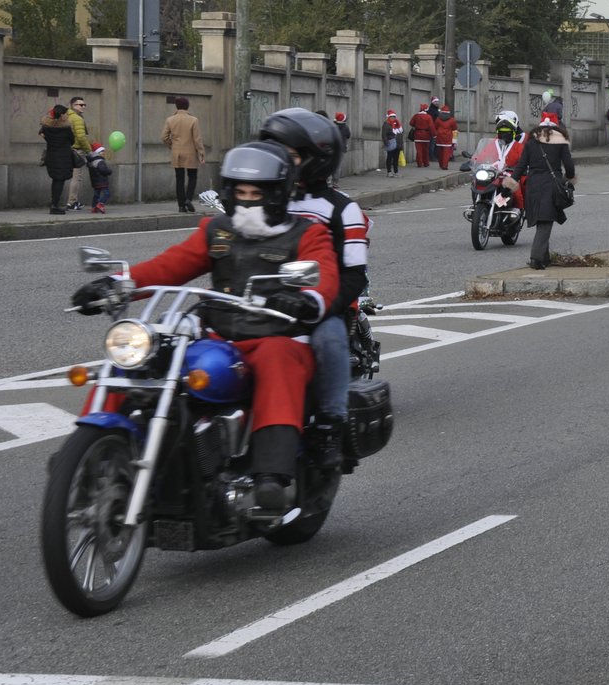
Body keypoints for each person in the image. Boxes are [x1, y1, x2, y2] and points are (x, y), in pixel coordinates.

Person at [71, 142, 339, 511]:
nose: (247, 201)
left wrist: (306, 298)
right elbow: (170, 265)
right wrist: (117, 284)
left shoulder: (306, 234)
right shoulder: (217, 230)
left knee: (280, 357)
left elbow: (323, 273)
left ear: (279, 193)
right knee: (140, 353)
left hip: (276, 335)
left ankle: (272, 475)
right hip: (216, 335)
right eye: (240, 193)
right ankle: (89, 455)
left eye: (257, 194)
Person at [260, 107, 370, 468]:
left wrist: (321, 305)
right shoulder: (262, 201)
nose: (279, 162)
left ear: (315, 159)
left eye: (288, 155)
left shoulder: (342, 209)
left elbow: (356, 275)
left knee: (328, 338)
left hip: (322, 305)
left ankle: (330, 424)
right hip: (261, 300)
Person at [503, 112, 576, 270]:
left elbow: (521, 166)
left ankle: (545, 258)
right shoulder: (560, 142)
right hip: (551, 185)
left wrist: (511, 183)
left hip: (532, 185)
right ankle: (536, 258)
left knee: (542, 219)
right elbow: (569, 167)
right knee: (546, 222)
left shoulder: (530, 142)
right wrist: (567, 179)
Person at [162, 96, 205, 214]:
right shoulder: (193, 120)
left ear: (177, 106)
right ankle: (188, 199)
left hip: (177, 153)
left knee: (179, 179)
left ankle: (181, 206)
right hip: (191, 152)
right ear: (187, 106)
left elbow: (164, 137)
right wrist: (201, 153)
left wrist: (172, 145)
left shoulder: (170, 120)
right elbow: (197, 139)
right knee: (192, 177)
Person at [39, 104, 78, 215]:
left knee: (56, 180)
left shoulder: (46, 128)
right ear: (61, 115)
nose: (67, 115)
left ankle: (54, 203)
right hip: (63, 158)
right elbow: (72, 141)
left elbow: (42, 133)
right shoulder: (66, 129)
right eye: (66, 113)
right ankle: (54, 206)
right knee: (59, 181)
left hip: (51, 157)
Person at [66, 96, 91, 210]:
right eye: (80, 105)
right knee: (77, 177)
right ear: (73, 105)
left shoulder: (67, 117)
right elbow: (81, 137)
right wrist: (88, 150)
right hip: (77, 150)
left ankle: (72, 201)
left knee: (70, 177)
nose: (83, 107)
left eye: (84, 105)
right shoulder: (77, 119)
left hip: (68, 149)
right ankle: (72, 202)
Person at [86, 143, 113, 214]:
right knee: (107, 194)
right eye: (102, 151)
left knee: (96, 195)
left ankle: (93, 207)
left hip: (95, 181)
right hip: (102, 181)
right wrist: (109, 171)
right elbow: (103, 170)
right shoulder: (100, 161)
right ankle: (100, 204)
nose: (104, 153)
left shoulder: (92, 161)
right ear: (98, 153)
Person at [408, 103, 435, 168]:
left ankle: (419, 163)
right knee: (426, 150)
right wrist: (434, 134)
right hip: (426, 135)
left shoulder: (416, 116)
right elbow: (431, 127)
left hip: (418, 134)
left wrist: (415, 125)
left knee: (419, 150)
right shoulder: (428, 117)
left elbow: (411, 123)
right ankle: (426, 163)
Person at [433, 102, 458, 170]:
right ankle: (445, 165)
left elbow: (435, 127)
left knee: (440, 153)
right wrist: (455, 140)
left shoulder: (438, 119)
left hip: (439, 138)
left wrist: (435, 135)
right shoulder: (452, 120)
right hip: (448, 138)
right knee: (446, 153)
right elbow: (454, 129)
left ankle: (441, 164)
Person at [381, 110, 403, 177]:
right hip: (390, 143)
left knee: (396, 159)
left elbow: (401, 133)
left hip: (398, 144)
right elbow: (384, 134)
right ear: (389, 117)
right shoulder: (386, 124)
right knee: (389, 158)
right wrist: (386, 142)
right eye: (391, 117)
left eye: (394, 117)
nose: (393, 118)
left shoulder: (398, 124)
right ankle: (389, 172)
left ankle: (396, 172)